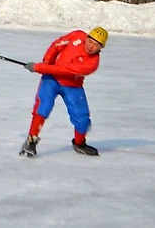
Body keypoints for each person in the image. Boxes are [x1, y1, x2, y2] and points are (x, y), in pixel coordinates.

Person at [19, 26, 108, 157]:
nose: (91, 46)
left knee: (82, 119)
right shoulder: (77, 36)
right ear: (86, 37)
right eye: (90, 41)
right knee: (43, 108)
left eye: (96, 45)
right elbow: (57, 45)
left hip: (72, 85)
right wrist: (46, 62)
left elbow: (64, 70)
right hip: (51, 80)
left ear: (101, 48)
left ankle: (79, 143)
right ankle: (31, 140)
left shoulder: (92, 64)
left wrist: (40, 68)